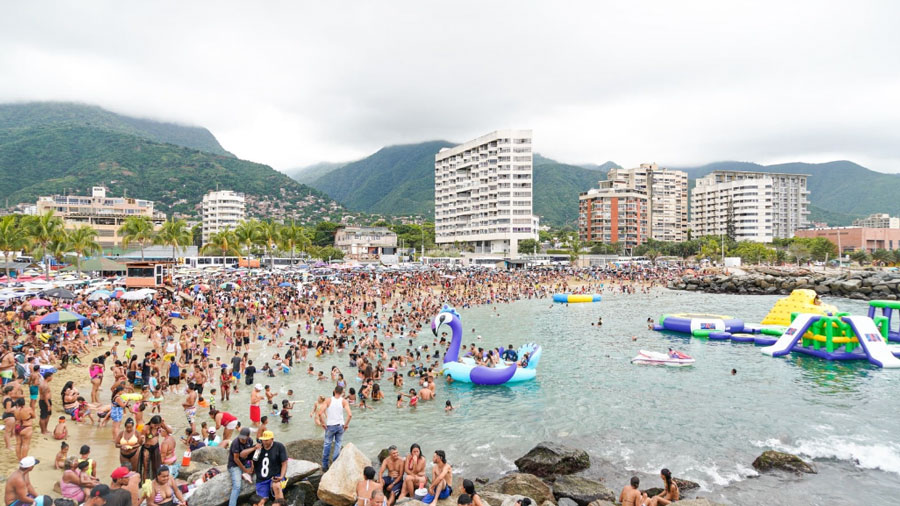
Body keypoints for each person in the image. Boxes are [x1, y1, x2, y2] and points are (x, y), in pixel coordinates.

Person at [317, 385, 352, 472]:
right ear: (342, 392)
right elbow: (350, 415)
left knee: (327, 444)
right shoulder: (344, 401)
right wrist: (346, 425)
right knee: (338, 444)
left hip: (330, 426)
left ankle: (325, 466)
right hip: (340, 426)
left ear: (334, 391)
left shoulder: (328, 400)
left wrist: (323, 423)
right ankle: (335, 463)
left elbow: (320, 413)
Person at [252, 431, 289, 503]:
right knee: (260, 501)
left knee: (277, 487)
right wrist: (254, 449)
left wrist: (281, 476)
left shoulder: (279, 446)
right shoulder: (258, 448)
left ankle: (279, 503)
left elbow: (284, 463)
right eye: (263, 440)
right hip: (261, 479)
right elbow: (243, 456)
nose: (264, 442)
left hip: (275, 476)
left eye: (266, 440)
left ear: (272, 439)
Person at [229, 427, 257, 506]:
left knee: (256, 471)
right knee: (237, 486)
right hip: (234, 465)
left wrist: (252, 466)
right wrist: (245, 470)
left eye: (244, 439)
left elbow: (250, 455)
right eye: (241, 438)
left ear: (248, 436)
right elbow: (236, 459)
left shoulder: (250, 441)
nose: (242, 440)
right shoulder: (236, 443)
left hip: (245, 462)